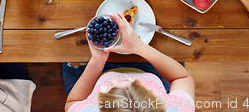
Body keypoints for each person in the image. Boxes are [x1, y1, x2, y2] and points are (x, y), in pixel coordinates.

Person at [64, 13, 194, 112]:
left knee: (68, 53)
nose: (115, 80)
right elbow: (182, 78)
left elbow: (73, 102)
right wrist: (141, 47)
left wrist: (97, 61)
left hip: (95, 77)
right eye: (134, 85)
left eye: (111, 89)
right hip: (152, 71)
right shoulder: (177, 108)